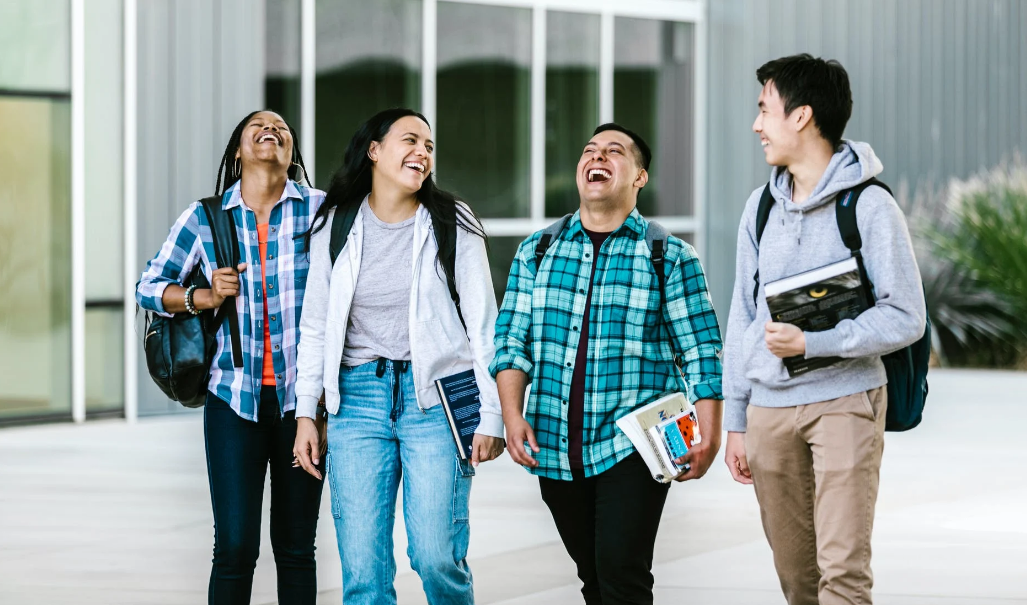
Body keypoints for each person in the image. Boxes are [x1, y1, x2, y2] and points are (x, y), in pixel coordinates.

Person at [722, 54, 927, 605]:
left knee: (843, 573)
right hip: (767, 409)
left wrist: (816, 343)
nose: (756, 124)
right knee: (796, 578)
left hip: (845, 403)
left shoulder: (870, 206)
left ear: (802, 116)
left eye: (765, 109)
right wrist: (737, 418)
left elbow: (906, 314)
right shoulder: (760, 207)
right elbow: (742, 314)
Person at [491, 123, 724, 605]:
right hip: (555, 446)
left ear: (639, 176)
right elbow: (511, 341)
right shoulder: (537, 251)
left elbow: (703, 350)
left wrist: (710, 432)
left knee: (622, 573)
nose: (597, 157)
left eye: (614, 151)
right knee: (593, 578)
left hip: (638, 444)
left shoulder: (669, 255)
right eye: (589, 150)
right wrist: (512, 416)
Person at [291, 108, 505, 605]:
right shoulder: (336, 223)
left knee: (436, 558)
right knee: (364, 573)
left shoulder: (453, 221)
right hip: (358, 399)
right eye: (410, 140)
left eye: (429, 146)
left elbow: (483, 325)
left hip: (435, 401)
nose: (422, 153)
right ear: (374, 150)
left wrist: (491, 412)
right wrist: (306, 412)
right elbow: (316, 325)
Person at [136, 110, 326, 604]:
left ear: (292, 152)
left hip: (302, 405)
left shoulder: (320, 212)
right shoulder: (204, 218)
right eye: (258, 127)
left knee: (296, 546)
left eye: (282, 128)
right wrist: (201, 295)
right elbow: (149, 287)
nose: (272, 130)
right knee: (236, 545)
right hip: (232, 400)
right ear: (238, 151)